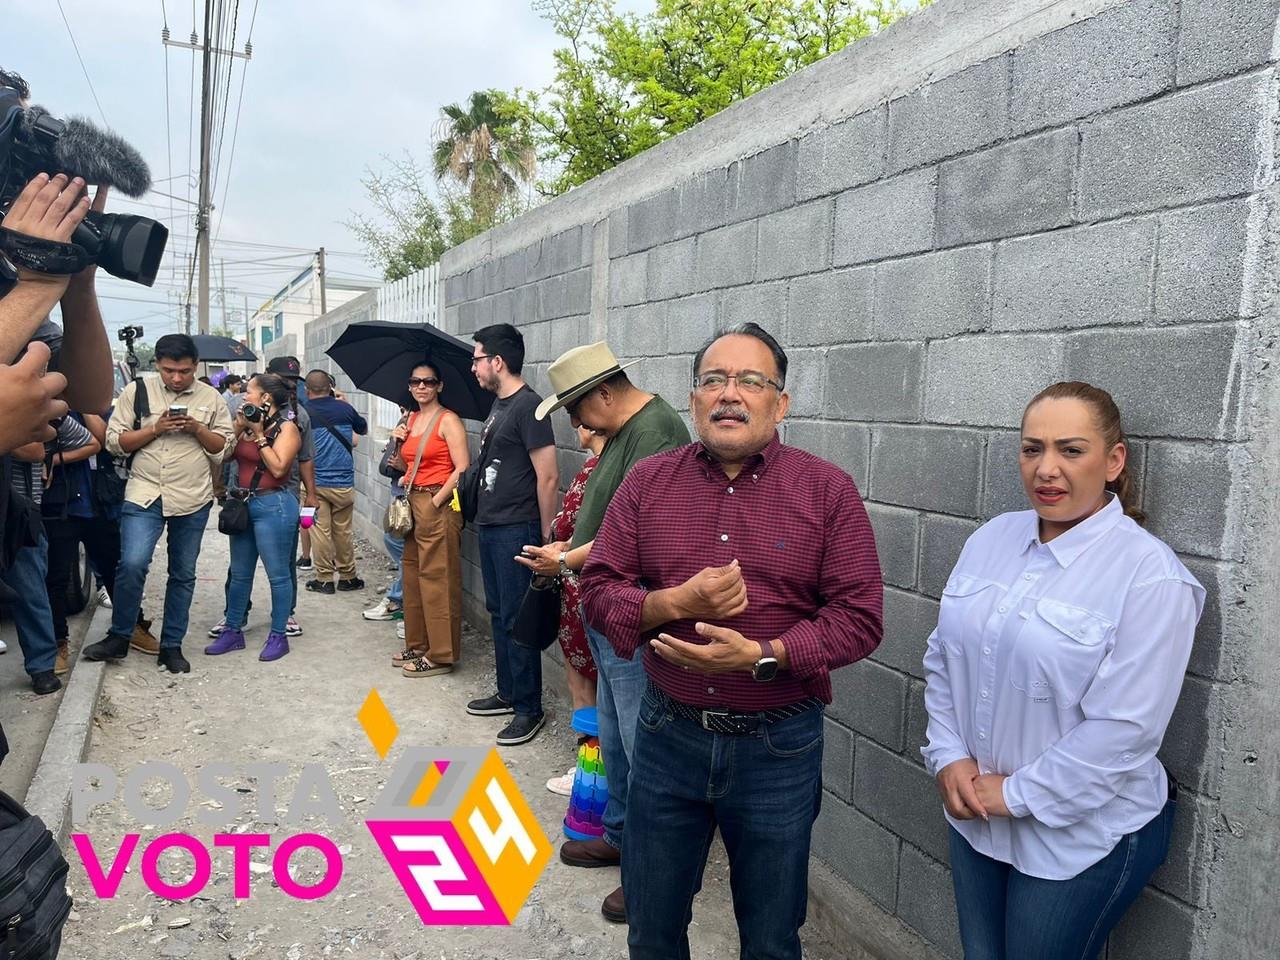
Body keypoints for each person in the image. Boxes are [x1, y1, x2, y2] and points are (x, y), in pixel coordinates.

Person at [580, 323, 884, 950]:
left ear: (781, 403)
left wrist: (765, 656)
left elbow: (860, 617)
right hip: (667, 736)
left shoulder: (826, 491)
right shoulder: (648, 484)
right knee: (654, 925)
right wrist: (672, 602)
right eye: (713, 379)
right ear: (693, 399)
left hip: (779, 747)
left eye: (752, 380)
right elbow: (599, 590)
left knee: (772, 937)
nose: (730, 394)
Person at [921, 382, 1203, 960]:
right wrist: (947, 753)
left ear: (1114, 461)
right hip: (977, 812)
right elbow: (943, 656)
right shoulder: (991, 539)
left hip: (1079, 835)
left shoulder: (1150, 578)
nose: (1046, 469)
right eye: (1032, 449)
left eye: (1071, 450)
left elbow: (1123, 730)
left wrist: (1018, 794)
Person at [518, 341, 690, 918]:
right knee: (615, 737)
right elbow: (608, 515)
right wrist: (569, 549)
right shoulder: (625, 432)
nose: (573, 423)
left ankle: (650, 872)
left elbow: (640, 533)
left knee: (643, 747)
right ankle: (619, 834)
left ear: (606, 393)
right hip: (605, 605)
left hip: (633, 613)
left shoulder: (656, 431)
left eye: (576, 410)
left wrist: (565, 561)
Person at [83, 334, 235, 673]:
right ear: (158, 366)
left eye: (183, 371)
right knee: (133, 564)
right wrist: (156, 428)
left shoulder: (211, 398)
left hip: (192, 497)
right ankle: (121, 635)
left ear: (195, 366)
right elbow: (114, 442)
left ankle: (171, 646)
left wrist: (196, 427)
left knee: (182, 574)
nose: (176, 378)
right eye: (169, 371)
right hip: (144, 492)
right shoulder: (136, 391)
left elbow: (224, 449)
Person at [465, 323, 559, 746]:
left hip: (517, 529)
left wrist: (544, 539)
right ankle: (508, 692)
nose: (473, 367)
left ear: (497, 362)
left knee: (520, 620)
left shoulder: (530, 407)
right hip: (491, 524)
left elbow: (549, 476)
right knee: (500, 613)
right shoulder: (499, 406)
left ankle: (528, 708)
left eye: (477, 358)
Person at [209, 356, 316, 639]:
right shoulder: (244, 415)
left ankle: (279, 631)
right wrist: (239, 427)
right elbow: (222, 455)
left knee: (278, 572)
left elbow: (281, 467)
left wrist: (258, 435)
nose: (245, 394)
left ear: (266, 396)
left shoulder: (291, 424)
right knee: (240, 572)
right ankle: (233, 629)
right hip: (244, 501)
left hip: (276, 503)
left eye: (250, 391)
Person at [1, 416, 101, 694]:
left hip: (18, 512)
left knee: (29, 591)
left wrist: (52, 459)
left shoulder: (33, 401)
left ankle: (41, 666)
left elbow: (33, 449)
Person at [386, 362, 469, 677]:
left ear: (439, 386)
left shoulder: (448, 420)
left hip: (437, 501)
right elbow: (406, 464)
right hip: (412, 501)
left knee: (438, 578)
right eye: (415, 381)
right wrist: (397, 448)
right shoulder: (411, 419)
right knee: (413, 575)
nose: (422, 387)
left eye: (429, 381)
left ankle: (441, 654)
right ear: (409, 386)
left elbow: (462, 468)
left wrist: (436, 500)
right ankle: (419, 643)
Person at [542, 424, 604, 796]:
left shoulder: (594, 470)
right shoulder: (605, 467)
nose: (576, 426)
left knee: (583, 686)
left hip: (580, 583)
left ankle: (589, 771)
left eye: (580, 418)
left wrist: (558, 545)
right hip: (581, 583)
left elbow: (571, 525)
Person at [42, 412, 118, 675]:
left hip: (98, 501)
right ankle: (58, 643)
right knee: (57, 577)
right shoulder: (51, 409)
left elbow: (104, 439)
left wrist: (86, 405)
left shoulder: (95, 406)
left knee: (115, 569)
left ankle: (129, 628)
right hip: (61, 504)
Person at [302, 369, 367, 593]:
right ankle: (348, 577)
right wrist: (346, 403)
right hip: (344, 484)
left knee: (319, 532)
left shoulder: (302, 412)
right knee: (343, 532)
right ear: (330, 389)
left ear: (307, 390)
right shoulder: (345, 409)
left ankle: (325, 579)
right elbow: (362, 428)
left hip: (314, 485)